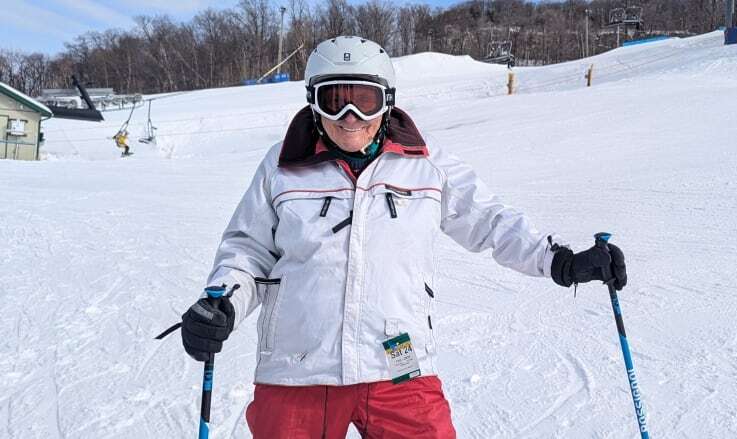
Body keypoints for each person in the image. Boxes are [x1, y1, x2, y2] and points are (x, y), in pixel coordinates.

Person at [180, 36, 627, 438]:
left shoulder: (425, 164)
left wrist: (561, 262)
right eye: (334, 100)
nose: (350, 117)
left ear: (388, 102)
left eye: (365, 101)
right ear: (313, 104)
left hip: (397, 361)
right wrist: (223, 302)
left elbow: (490, 220)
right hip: (299, 367)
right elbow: (247, 251)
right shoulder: (281, 168)